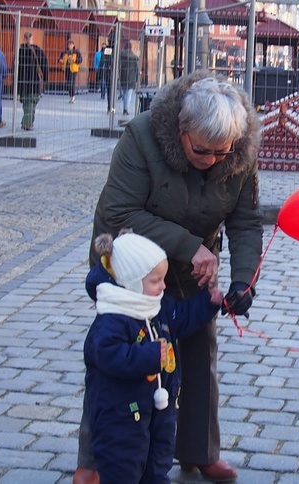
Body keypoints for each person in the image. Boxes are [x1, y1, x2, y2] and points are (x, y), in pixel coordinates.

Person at [74, 71, 263, 484]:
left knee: (198, 355)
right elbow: (120, 212)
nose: (212, 160)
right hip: (131, 267)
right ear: (180, 129)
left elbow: (246, 222)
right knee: (119, 364)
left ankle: (198, 451)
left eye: (221, 152)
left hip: (195, 269)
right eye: (201, 150)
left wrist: (243, 282)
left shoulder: (240, 153)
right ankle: (92, 461)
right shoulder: (141, 136)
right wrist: (189, 245)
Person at [84, 230, 223, 483]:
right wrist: (149, 356)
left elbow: (181, 318)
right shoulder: (112, 319)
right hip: (121, 418)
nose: (163, 285)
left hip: (160, 412)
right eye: (156, 280)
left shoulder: (157, 306)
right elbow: (108, 355)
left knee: (158, 464)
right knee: (123, 469)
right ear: (133, 282)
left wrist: (209, 303)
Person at [17, 31, 49, 132]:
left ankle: (26, 122)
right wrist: (45, 80)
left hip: (22, 83)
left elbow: (16, 68)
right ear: (32, 39)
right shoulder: (38, 51)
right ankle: (27, 123)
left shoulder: (20, 51)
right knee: (32, 103)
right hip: (34, 82)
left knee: (27, 103)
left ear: (23, 39)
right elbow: (45, 65)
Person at [118, 40, 140, 117]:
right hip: (131, 77)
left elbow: (118, 66)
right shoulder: (134, 57)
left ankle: (125, 107)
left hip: (123, 76)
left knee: (124, 93)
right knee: (129, 94)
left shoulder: (120, 56)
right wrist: (137, 78)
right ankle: (126, 108)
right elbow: (136, 69)